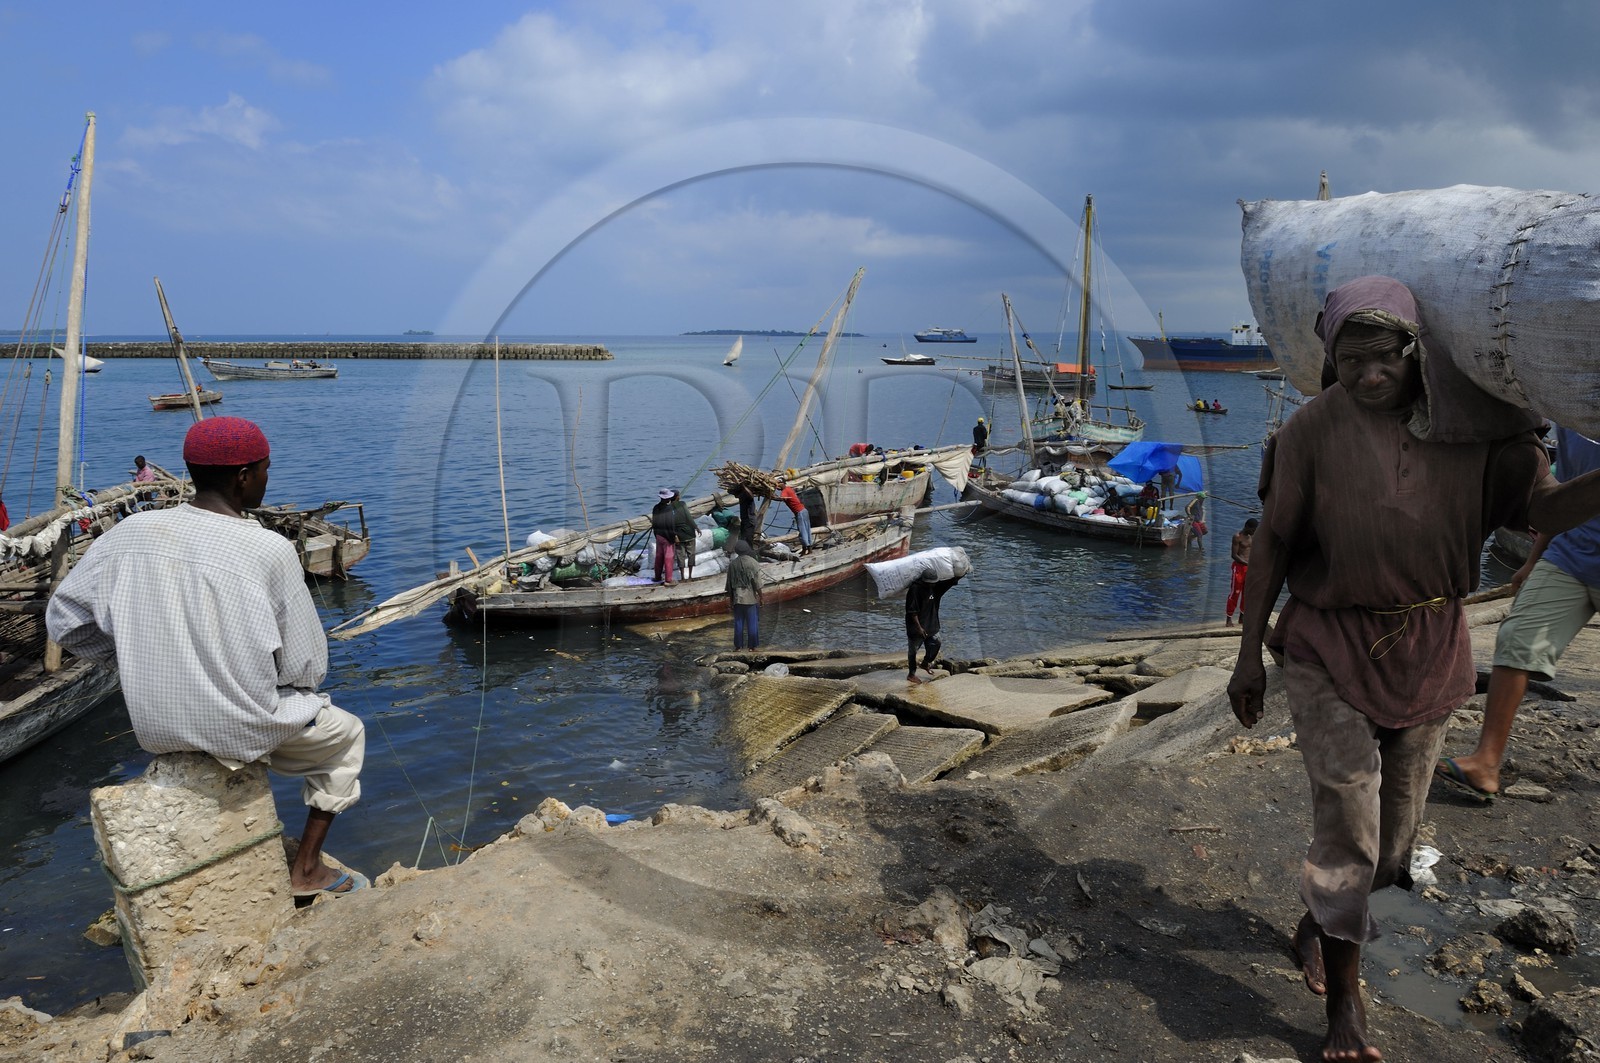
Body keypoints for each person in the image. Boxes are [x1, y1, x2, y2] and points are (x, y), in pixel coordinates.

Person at [1226, 276, 1600, 1063]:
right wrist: (1246, 657)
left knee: (1393, 853)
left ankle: (1321, 918)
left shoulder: (1482, 431)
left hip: (1432, 647)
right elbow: (1274, 544)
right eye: (1350, 360)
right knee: (1349, 821)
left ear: (1416, 350)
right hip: (1328, 642)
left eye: (1384, 358)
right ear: (1330, 361)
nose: (1368, 376)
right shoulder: (1310, 433)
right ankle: (1345, 1013)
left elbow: (1543, 512)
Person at [46, 416, 368, 897]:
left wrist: (135, 659)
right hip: (238, 725)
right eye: (264, 469)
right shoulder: (268, 548)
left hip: (157, 724)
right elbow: (305, 666)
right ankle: (307, 871)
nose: (266, 478)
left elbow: (65, 620)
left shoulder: (130, 531)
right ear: (243, 476)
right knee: (346, 737)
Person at [1437, 426, 1600, 799]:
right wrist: (1534, 558)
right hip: (1570, 556)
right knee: (1518, 638)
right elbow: (1562, 496)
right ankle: (1486, 763)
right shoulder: (1572, 418)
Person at [905, 574, 960, 683]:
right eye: (930, 582)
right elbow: (912, 612)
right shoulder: (915, 589)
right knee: (913, 651)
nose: (932, 584)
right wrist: (919, 628)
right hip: (916, 628)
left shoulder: (935, 588)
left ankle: (925, 663)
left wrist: (958, 575)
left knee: (936, 643)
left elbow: (949, 583)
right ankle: (911, 674)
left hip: (932, 624)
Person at [724, 540, 764, 650]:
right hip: (750, 598)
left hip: (737, 598)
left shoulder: (732, 565)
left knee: (738, 623)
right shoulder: (753, 562)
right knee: (752, 623)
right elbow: (757, 583)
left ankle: (738, 646)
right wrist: (761, 597)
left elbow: (730, 585)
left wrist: (731, 600)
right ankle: (752, 647)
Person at [1224, 518, 1258, 625]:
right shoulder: (1237, 537)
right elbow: (1234, 555)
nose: (1254, 532)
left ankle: (1242, 617)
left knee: (1247, 593)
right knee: (1235, 592)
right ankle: (1229, 618)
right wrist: (1247, 563)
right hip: (1239, 568)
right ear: (1247, 527)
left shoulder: (1253, 536)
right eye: (1253, 529)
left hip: (1249, 568)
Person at [650, 488, 679, 584]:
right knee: (668, 558)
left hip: (658, 535)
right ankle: (668, 579)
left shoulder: (656, 508)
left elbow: (654, 522)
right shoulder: (669, 509)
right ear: (667, 499)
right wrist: (674, 536)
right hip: (667, 536)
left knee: (659, 557)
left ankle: (657, 577)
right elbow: (671, 524)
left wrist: (656, 534)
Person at [776, 477, 812, 552]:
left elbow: (781, 498)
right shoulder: (789, 488)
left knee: (802, 530)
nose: (777, 485)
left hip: (800, 512)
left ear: (783, 483)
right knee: (807, 529)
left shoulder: (784, 491)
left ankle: (807, 548)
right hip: (804, 510)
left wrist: (772, 497)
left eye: (779, 483)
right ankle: (807, 548)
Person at [671, 489, 697, 581]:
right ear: (677, 497)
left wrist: (675, 536)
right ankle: (690, 576)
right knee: (691, 554)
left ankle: (682, 576)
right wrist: (696, 527)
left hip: (678, 536)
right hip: (689, 533)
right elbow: (689, 517)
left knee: (680, 556)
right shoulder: (682, 504)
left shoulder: (668, 508)